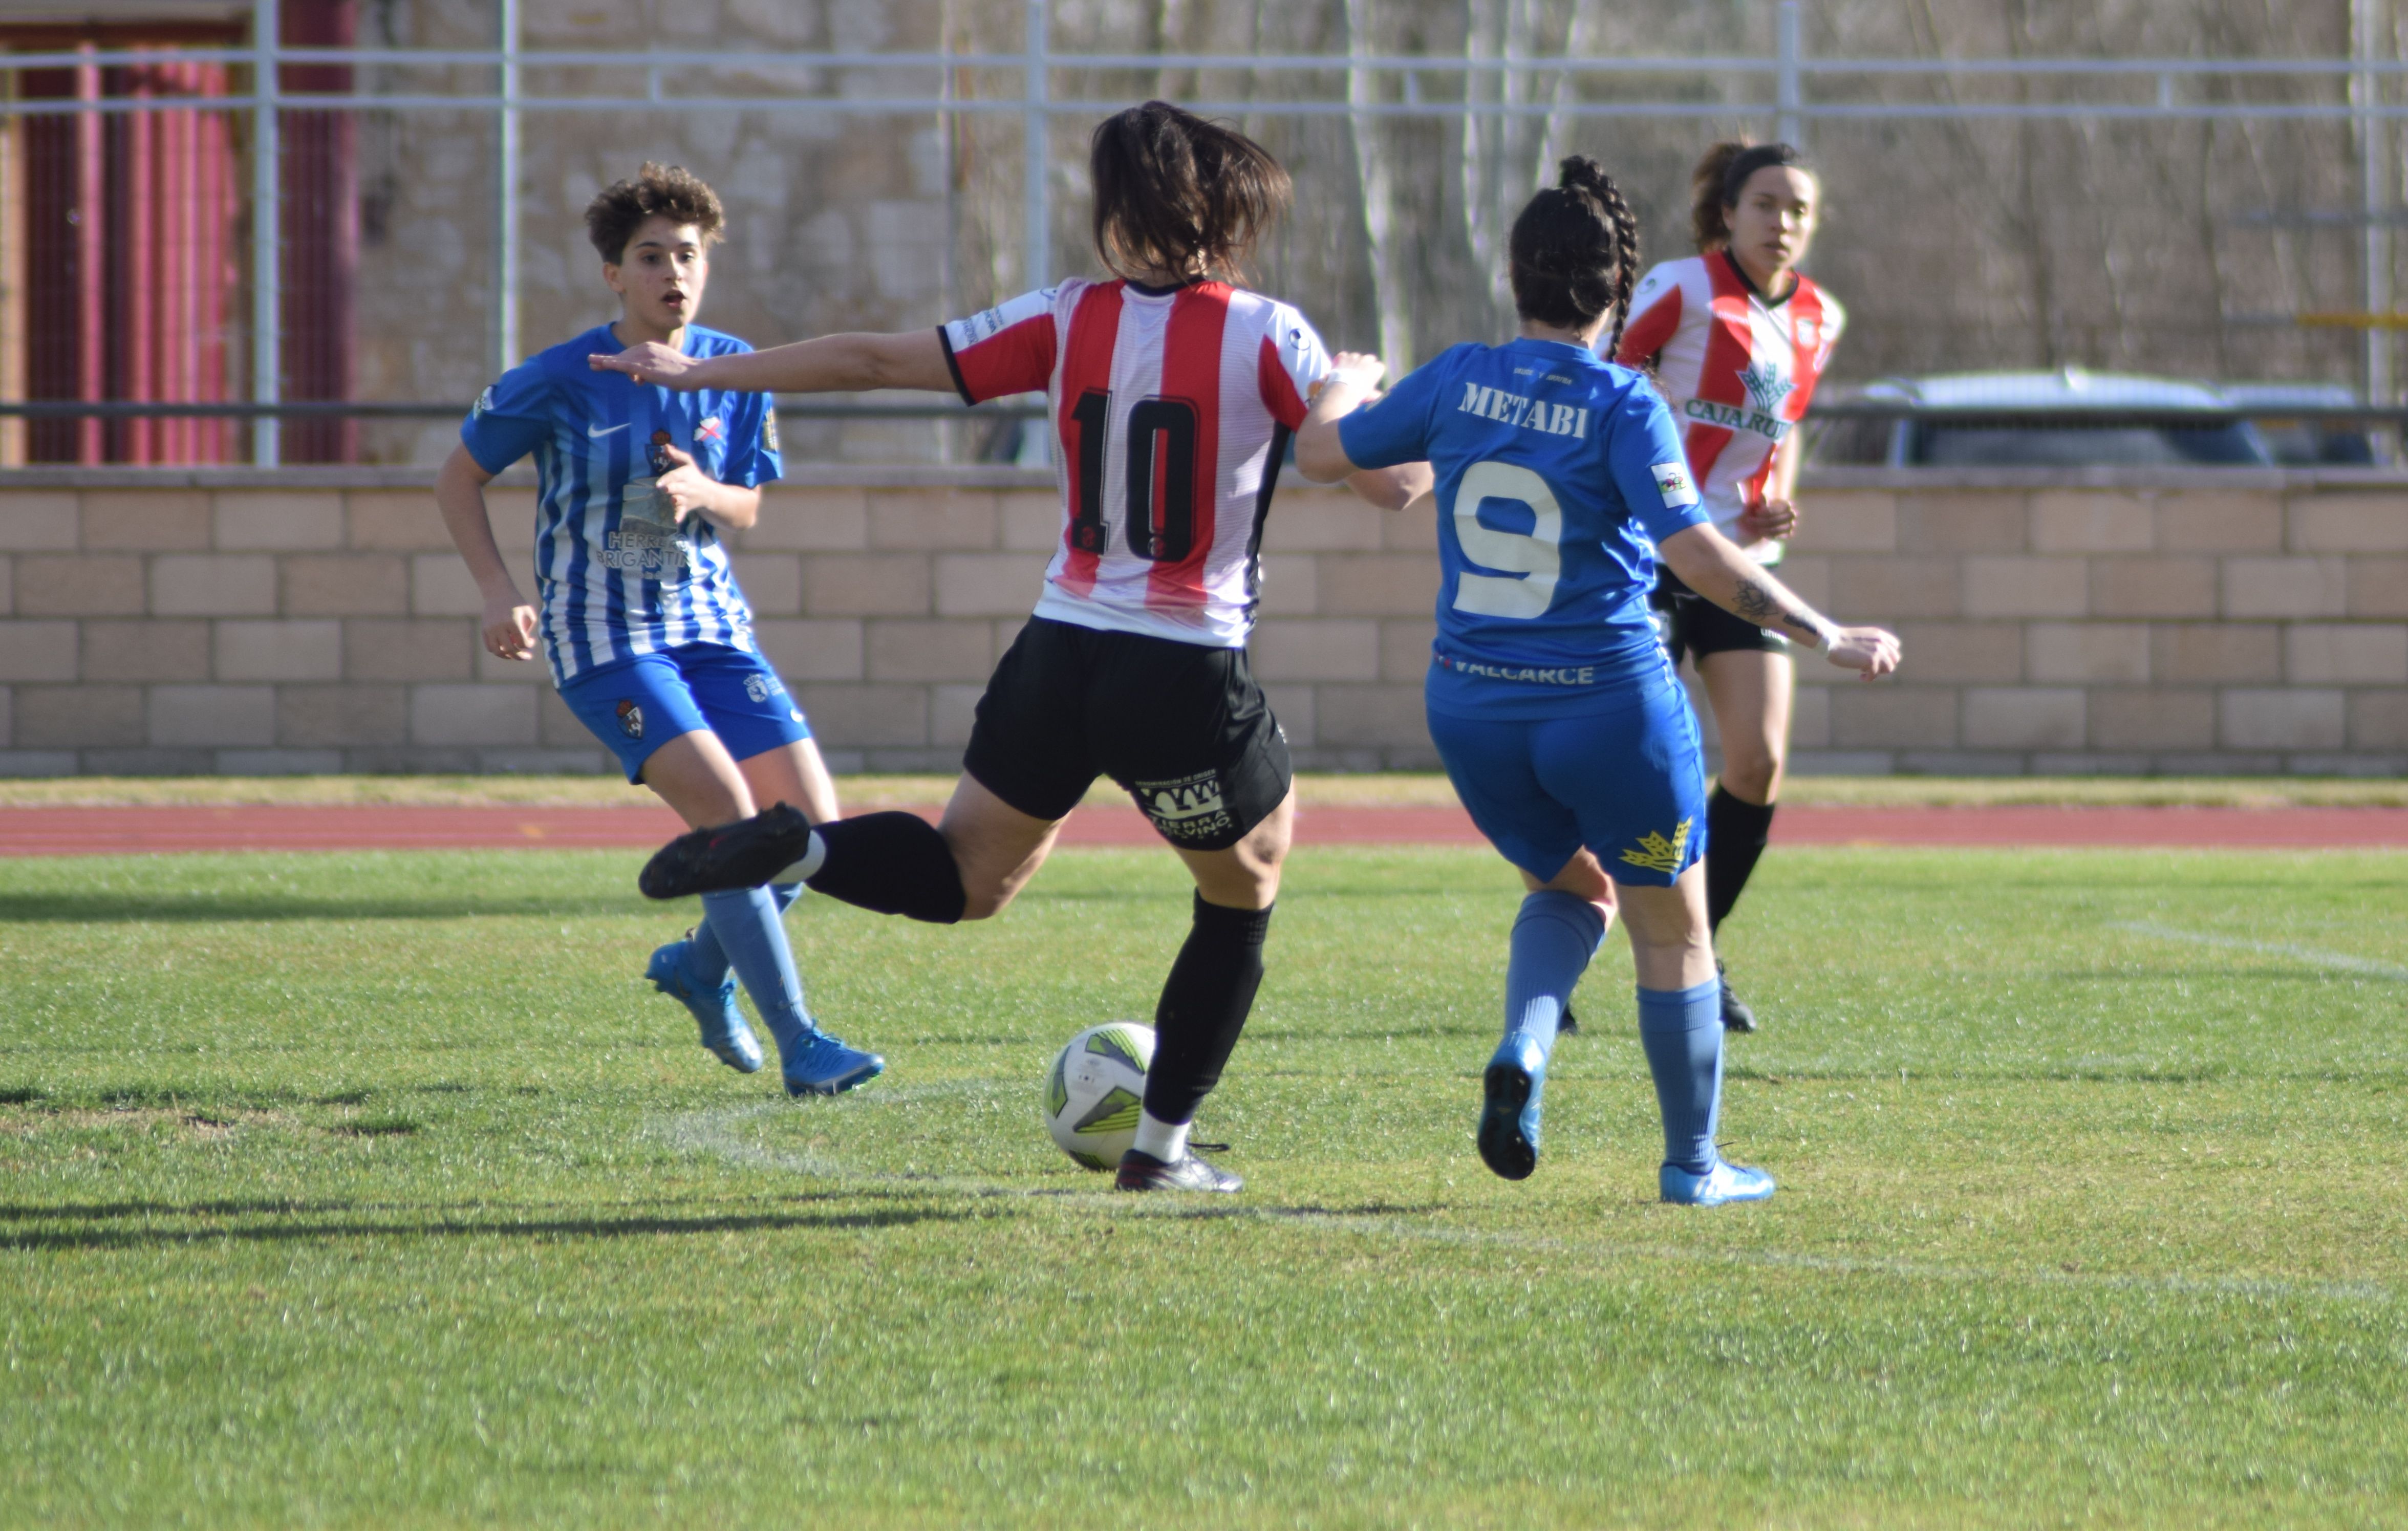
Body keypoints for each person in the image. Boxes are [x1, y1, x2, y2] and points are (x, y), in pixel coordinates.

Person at [593, 103, 1425, 1193]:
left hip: (1057, 653)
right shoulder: (1273, 331)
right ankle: (1162, 1153)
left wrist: (701, 373)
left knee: (970, 874)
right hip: (1179, 668)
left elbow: (876, 360)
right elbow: (1381, 479)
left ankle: (795, 850)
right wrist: (1360, 386)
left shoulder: (1067, 314)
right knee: (1246, 883)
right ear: (1226, 209)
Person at [1300, 157, 1900, 1205]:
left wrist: (1346, 382)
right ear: (1616, 296)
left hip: (1472, 706)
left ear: (1515, 275)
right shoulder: (1626, 400)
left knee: (1575, 887)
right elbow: (1701, 559)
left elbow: (1322, 454)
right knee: (1676, 931)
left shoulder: (1449, 375)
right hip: (1608, 702)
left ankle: (1524, 1055)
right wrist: (1824, 629)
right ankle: (1692, 1164)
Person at [434, 163, 883, 1099]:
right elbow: (457, 477)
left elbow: (748, 506)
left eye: (688, 254)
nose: (672, 272)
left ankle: (698, 969)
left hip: (712, 629)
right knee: (728, 821)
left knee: (811, 836)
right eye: (650, 257)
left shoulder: (734, 369)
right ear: (614, 276)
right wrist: (494, 591)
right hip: (605, 640)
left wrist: (701, 490)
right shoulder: (559, 379)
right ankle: (804, 1049)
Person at [1609, 139, 1846, 1032]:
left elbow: (1777, 436)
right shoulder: (1679, 287)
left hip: (1742, 567)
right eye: (1765, 205)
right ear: (1729, 212)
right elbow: (1609, 386)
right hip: (1649, 552)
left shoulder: (1823, 317)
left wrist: (1775, 505)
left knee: (1757, 762)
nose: (1781, 224)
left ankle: (1698, 954)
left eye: (1798, 210)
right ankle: (1566, 938)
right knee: (1633, 763)